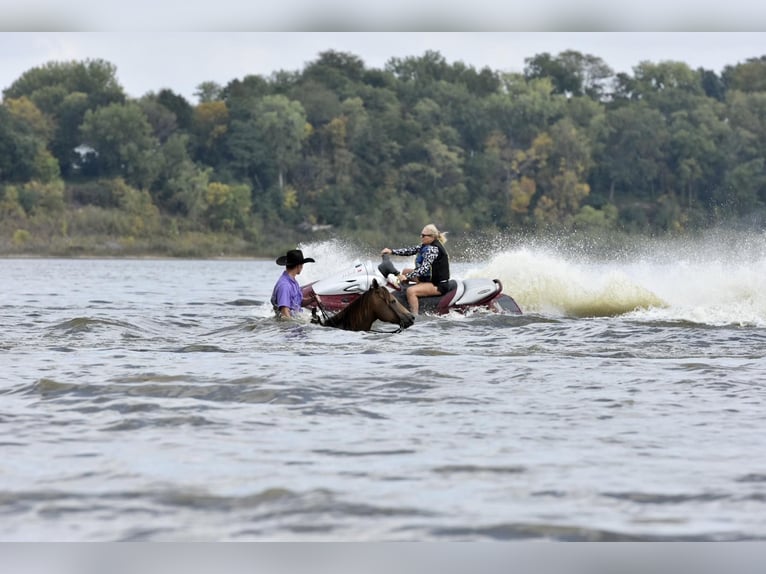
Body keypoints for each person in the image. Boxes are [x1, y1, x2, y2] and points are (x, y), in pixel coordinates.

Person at [381, 223, 450, 315]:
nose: (421, 237)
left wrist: (407, 277)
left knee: (411, 291)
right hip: (428, 278)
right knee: (405, 271)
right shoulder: (425, 245)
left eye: (423, 236)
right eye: (421, 235)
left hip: (438, 284)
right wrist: (391, 251)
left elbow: (423, 269)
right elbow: (410, 251)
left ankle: (414, 315)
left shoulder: (433, 249)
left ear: (432, 237)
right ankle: (402, 295)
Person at [271, 249, 315, 319]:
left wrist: (312, 299)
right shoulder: (285, 286)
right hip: (289, 328)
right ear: (299, 266)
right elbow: (284, 312)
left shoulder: (293, 281)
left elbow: (298, 302)